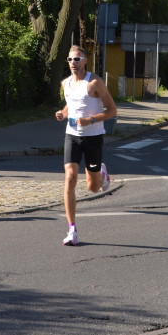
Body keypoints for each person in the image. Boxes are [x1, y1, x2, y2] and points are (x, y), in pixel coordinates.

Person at [54, 45, 117, 246]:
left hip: (93, 137)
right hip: (72, 136)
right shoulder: (66, 83)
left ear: (85, 61)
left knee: (93, 187)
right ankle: (72, 229)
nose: (73, 63)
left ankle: (102, 175)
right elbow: (70, 104)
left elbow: (112, 110)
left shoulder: (94, 82)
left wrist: (91, 120)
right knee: (70, 178)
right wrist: (63, 113)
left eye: (77, 59)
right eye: (70, 59)